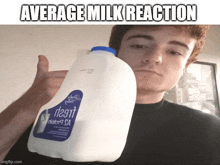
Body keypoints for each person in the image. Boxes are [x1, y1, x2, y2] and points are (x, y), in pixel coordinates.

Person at [1, 25, 220, 165]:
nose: (154, 58)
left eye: (174, 51)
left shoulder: (210, 130)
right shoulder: (52, 109)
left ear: (186, 67)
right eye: (138, 45)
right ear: (115, 54)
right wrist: (27, 106)